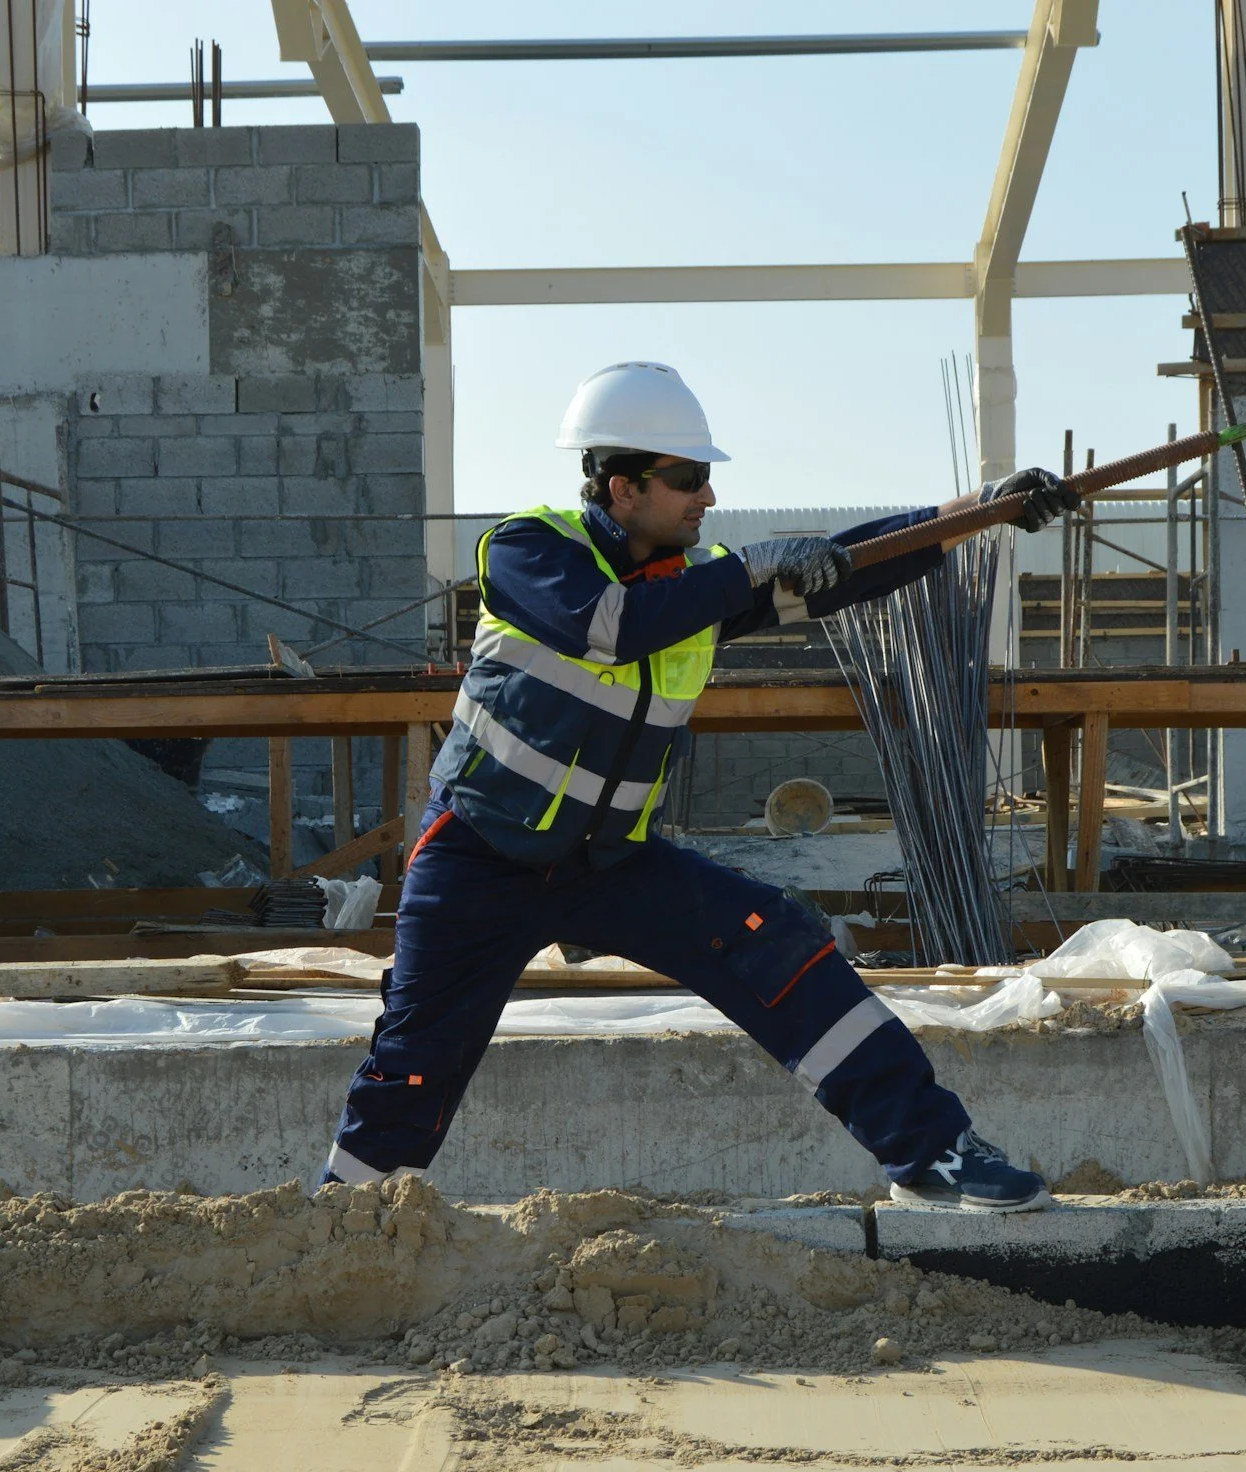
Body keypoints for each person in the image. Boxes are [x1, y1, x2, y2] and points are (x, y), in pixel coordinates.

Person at [321, 362, 1076, 1210]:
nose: (706, 497)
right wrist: (749, 569)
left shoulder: (696, 583)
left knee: (780, 943)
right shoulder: (528, 550)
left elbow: (852, 568)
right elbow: (610, 629)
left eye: (708, 479)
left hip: (610, 864)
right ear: (623, 487)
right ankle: (346, 1224)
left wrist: (978, 512)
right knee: (417, 1060)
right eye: (687, 480)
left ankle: (934, 1156)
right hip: (477, 859)